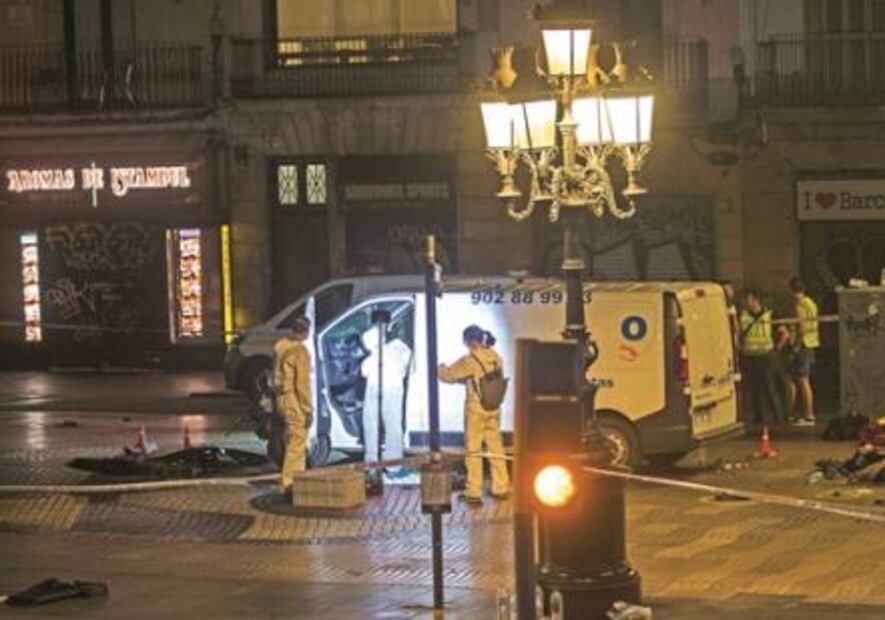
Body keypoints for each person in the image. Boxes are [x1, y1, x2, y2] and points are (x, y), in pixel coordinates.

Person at [439, 325, 510, 504]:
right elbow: (484, 378)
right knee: (496, 449)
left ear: (468, 341)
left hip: (476, 409)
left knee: (473, 450)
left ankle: (473, 491)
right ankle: (501, 487)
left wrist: (440, 368)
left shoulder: (470, 359)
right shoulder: (495, 356)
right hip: (493, 407)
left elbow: (448, 376)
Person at [360, 325, 411, 477]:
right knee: (393, 427)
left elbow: (363, 372)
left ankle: (371, 466)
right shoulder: (399, 348)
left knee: (371, 426)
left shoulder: (368, 361)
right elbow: (409, 367)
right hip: (393, 390)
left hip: (374, 389)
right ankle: (393, 467)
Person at [273, 317, 314, 494]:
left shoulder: (281, 346)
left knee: (289, 439)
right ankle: (290, 483)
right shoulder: (300, 352)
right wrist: (308, 409)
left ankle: (288, 479)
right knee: (297, 442)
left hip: (281, 399)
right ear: (306, 332)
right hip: (293, 400)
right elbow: (302, 385)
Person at [739, 290, 785, 428]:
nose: (747, 302)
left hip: (766, 356)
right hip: (749, 356)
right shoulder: (743, 316)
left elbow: (784, 334)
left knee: (769, 386)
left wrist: (776, 349)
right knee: (754, 388)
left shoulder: (770, 315)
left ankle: (778, 417)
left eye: (749, 299)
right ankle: (758, 417)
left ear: (756, 300)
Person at [778, 277, 820, 427]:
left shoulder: (800, 305)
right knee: (801, 379)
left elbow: (802, 327)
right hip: (810, 343)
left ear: (791, 290)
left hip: (802, 345)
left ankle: (808, 415)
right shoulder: (811, 303)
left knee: (802, 380)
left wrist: (795, 346)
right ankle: (803, 414)